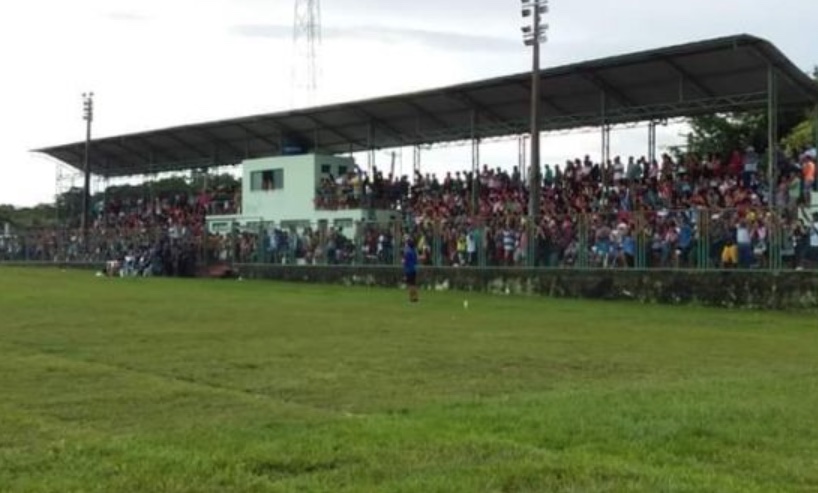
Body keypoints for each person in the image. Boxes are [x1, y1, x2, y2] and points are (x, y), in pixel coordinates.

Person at [403, 237, 419, 303]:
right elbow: (416, 261)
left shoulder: (407, 251)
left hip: (408, 269)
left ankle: (411, 298)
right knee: (414, 284)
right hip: (414, 269)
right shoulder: (414, 251)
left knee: (410, 285)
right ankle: (416, 297)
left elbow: (405, 261)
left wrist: (404, 264)